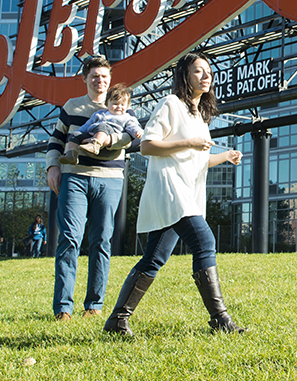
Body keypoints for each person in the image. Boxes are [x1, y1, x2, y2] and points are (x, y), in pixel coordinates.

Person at [104, 52, 245, 337]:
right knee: (205, 241)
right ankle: (220, 319)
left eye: (208, 71)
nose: (206, 76)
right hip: (170, 189)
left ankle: (117, 321)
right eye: (198, 71)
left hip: (186, 193)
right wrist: (189, 142)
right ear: (184, 75)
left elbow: (198, 159)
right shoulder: (170, 103)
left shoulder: (200, 116)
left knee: (154, 258)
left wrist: (225, 156)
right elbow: (147, 146)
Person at [46, 55, 134, 321]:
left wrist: (106, 139)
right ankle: (63, 308)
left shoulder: (122, 106)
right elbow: (56, 140)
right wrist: (52, 167)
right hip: (75, 178)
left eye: (104, 76)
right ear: (85, 79)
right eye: (95, 76)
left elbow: (131, 138)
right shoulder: (72, 106)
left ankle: (94, 306)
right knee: (69, 238)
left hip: (110, 180)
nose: (100, 80)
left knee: (102, 240)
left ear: (110, 80)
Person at [59, 84, 143, 165]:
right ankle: (71, 154)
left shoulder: (127, 117)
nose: (119, 107)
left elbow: (133, 126)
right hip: (92, 133)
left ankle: (95, 145)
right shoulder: (100, 113)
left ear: (127, 106)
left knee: (102, 126)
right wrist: (78, 133)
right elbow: (87, 125)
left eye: (122, 105)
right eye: (115, 104)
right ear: (107, 104)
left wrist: (137, 131)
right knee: (75, 134)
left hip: (110, 137)